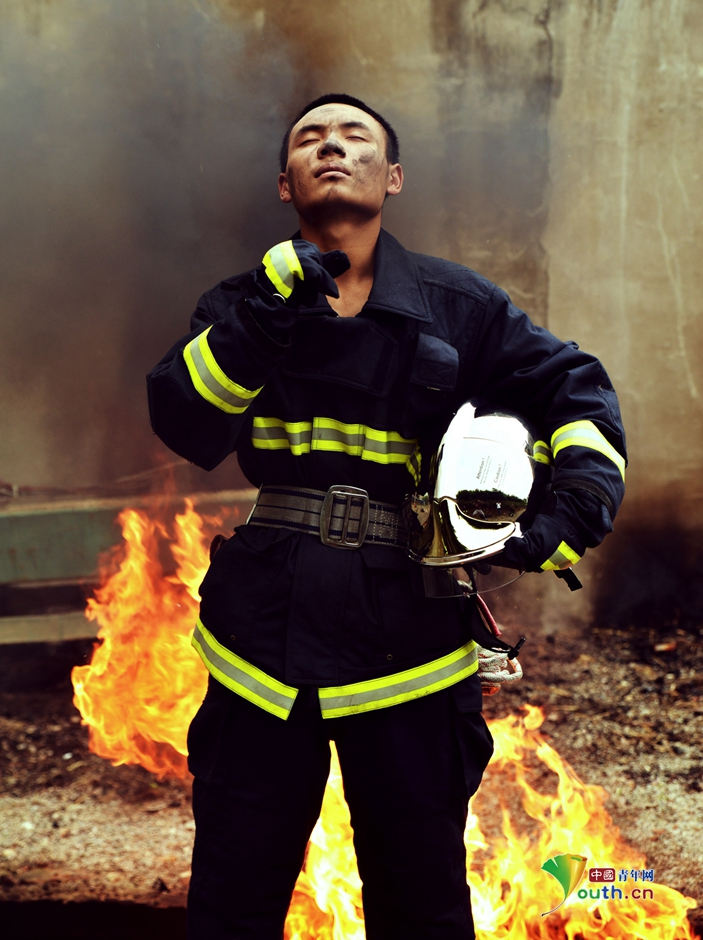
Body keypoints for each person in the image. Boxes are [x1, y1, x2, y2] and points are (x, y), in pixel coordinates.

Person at [146, 93, 626, 939]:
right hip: (262, 646)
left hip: (410, 638)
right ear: (285, 185)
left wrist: (567, 515)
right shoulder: (238, 303)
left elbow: (574, 394)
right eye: (309, 139)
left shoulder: (459, 304)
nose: (331, 146)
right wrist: (260, 328)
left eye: (354, 136)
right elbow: (186, 423)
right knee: (233, 894)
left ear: (392, 176)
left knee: (421, 901)